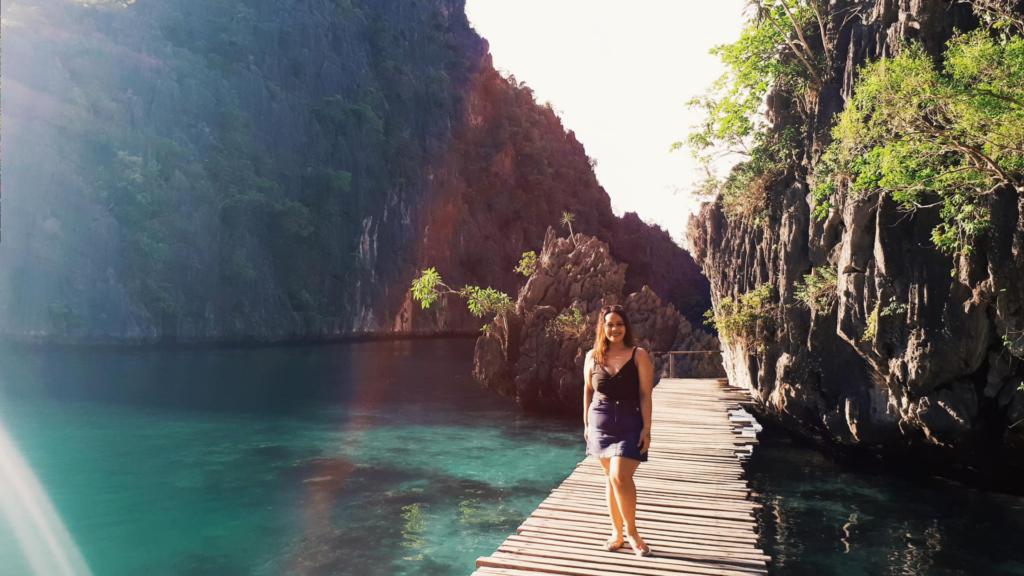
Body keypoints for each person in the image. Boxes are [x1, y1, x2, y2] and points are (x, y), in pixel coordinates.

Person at [583, 304, 654, 557]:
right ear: (602, 328)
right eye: (610, 324)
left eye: (619, 324)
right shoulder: (592, 356)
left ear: (626, 327)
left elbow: (645, 394)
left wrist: (647, 428)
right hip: (600, 422)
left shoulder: (638, 355)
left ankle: (632, 533)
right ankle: (616, 533)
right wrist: (586, 424)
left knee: (619, 475)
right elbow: (588, 390)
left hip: (629, 421)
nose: (615, 329)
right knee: (609, 478)